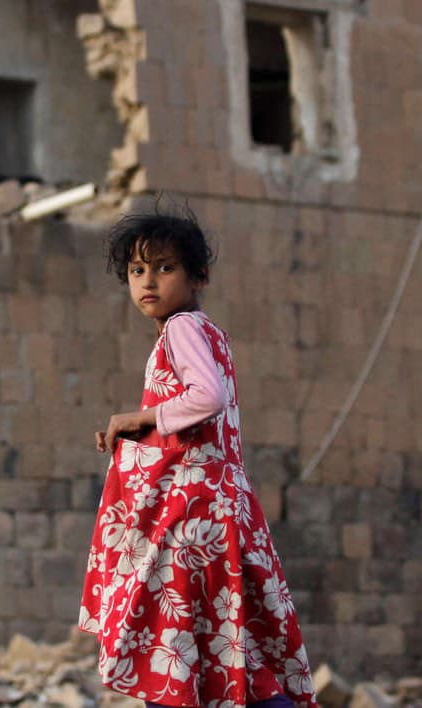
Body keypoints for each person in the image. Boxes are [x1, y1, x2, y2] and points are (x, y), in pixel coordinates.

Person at [78, 207, 317, 708]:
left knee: (171, 646)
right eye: (137, 271)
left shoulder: (182, 328)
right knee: (236, 649)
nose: (148, 282)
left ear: (198, 276)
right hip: (223, 512)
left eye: (165, 268)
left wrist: (137, 419)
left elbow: (205, 397)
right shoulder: (209, 333)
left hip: (190, 522)